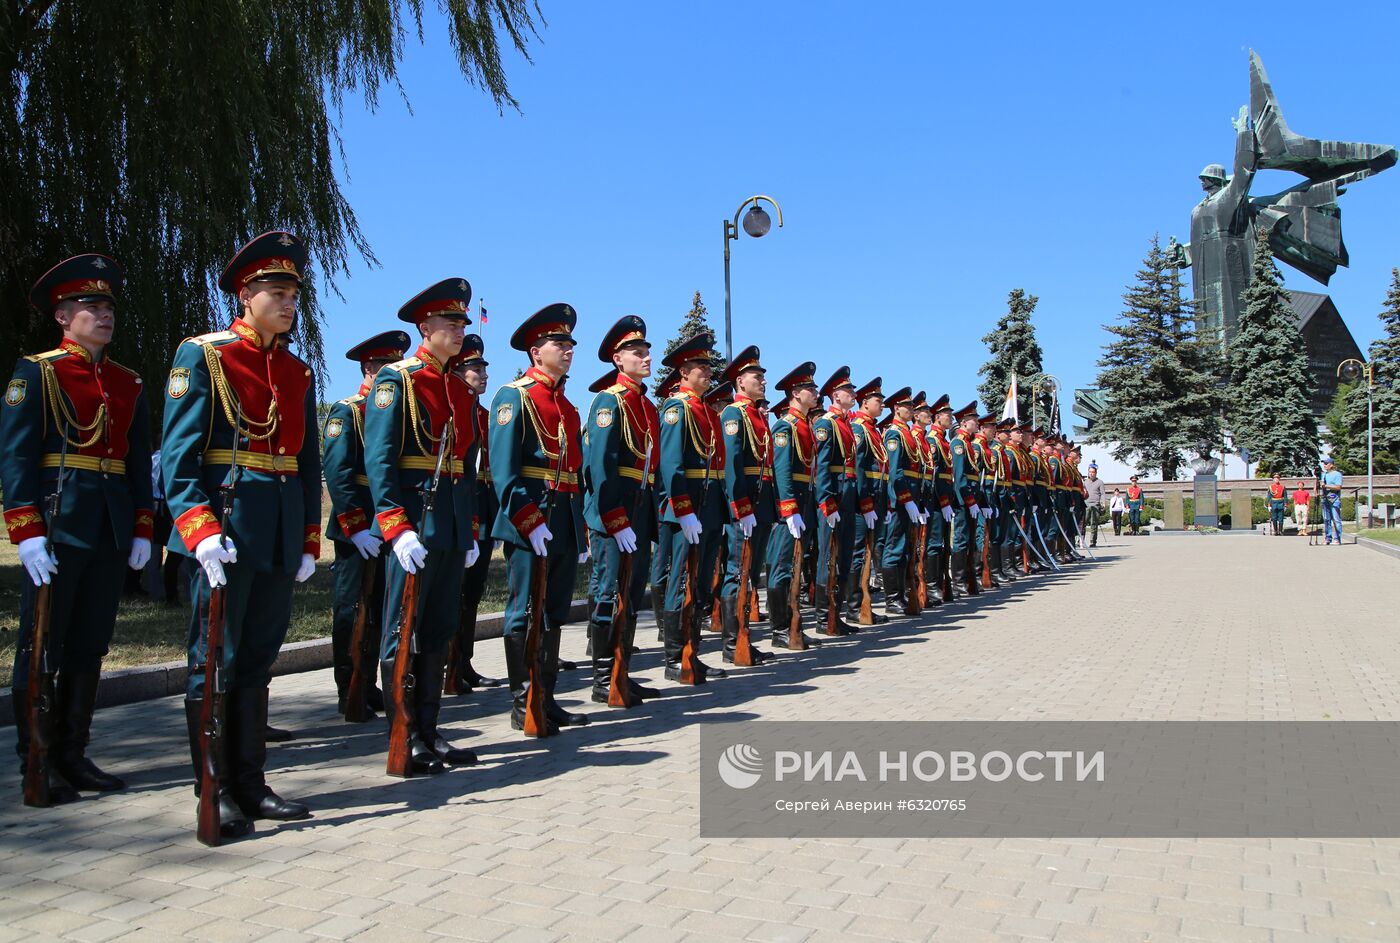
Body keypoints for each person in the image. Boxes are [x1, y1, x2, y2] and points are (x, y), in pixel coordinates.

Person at [163, 232, 320, 837]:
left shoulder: (296, 369)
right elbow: (179, 459)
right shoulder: (204, 356)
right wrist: (197, 530)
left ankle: (252, 781)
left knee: (258, 659)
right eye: (276, 293)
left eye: (292, 295)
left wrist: (310, 536)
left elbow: (306, 465)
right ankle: (215, 785)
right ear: (244, 294)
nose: (288, 304)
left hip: (277, 533)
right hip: (224, 533)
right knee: (214, 661)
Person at [3, 254, 153, 804]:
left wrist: (142, 527)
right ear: (63, 316)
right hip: (58, 522)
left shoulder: (126, 381)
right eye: (91, 305)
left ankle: (73, 752)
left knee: (90, 646)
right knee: (41, 645)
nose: (104, 314)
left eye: (109, 305)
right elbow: (16, 457)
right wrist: (26, 530)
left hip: (110, 524)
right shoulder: (37, 372)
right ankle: (34, 760)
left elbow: (139, 462)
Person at [364, 279, 481, 770]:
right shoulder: (398, 380)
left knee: (437, 629)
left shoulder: (457, 387)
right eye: (450, 323)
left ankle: (430, 730)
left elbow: (468, 463)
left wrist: (470, 528)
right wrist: (395, 524)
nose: (458, 331)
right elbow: (380, 459)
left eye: (462, 324)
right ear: (424, 326)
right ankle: (403, 734)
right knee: (401, 629)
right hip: (415, 524)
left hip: (451, 525)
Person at [490, 304, 591, 732]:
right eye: (558, 343)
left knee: (554, 612)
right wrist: (530, 522)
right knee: (524, 613)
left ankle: (545, 697)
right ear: (536, 351)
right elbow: (504, 471)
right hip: (530, 521)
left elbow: (576, 476)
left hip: (564, 521)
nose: (567, 350)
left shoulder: (566, 406)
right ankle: (522, 701)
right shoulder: (514, 396)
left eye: (570, 343)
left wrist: (580, 532)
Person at [323, 330, 407, 721]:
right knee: (352, 608)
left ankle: (369, 684)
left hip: (387, 523)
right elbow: (339, 474)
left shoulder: (395, 409)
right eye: (384, 367)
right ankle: (348, 687)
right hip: (356, 527)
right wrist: (356, 526)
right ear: (367, 369)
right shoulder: (348, 410)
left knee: (378, 608)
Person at [582, 316, 661, 706]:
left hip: (639, 510)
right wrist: (615, 519)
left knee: (630, 596)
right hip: (615, 516)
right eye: (636, 351)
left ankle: (621, 672)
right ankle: (602, 679)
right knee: (609, 596)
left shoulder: (646, 405)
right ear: (618, 359)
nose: (645, 356)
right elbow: (601, 466)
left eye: (646, 350)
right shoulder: (608, 401)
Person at [656, 332, 728, 683]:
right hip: (687, 507)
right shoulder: (677, 408)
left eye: (708, 367)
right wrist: (683, 508)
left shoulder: (706, 411)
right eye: (700, 367)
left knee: (700, 584)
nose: (707, 372)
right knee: (680, 581)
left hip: (709, 505)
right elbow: (671, 464)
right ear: (683, 372)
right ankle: (673, 658)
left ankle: (692, 652)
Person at [445, 336, 505, 695]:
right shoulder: (452, 409)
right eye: (475, 368)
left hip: (482, 514)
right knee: (450, 594)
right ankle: (443, 664)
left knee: (471, 596)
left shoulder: (484, 416)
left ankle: (462, 662)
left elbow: (492, 474)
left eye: (483, 368)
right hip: (458, 512)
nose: (482, 374)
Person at [767, 364, 823, 649]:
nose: (815, 392)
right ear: (795, 393)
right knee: (782, 567)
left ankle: (794, 625)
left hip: (805, 501)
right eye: (810, 389)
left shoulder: (805, 425)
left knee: (796, 567)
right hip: (790, 506)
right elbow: (782, 470)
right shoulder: (784, 426)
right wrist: (789, 508)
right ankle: (780, 629)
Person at [812, 367, 862, 633]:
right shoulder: (826, 424)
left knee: (843, 556)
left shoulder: (845, 425)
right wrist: (827, 503)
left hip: (848, 495)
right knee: (828, 557)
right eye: (849, 391)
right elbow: (822, 467)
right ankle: (823, 618)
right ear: (836, 395)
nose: (853, 394)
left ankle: (836, 613)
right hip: (834, 497)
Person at [847, 378, 888, 623]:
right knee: (858, 553)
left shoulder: (873, 429)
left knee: (869, 553)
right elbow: (859, 469)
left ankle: (862, 604)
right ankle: (854, 606)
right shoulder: (860, 429)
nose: (882, 405)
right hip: (864, 501)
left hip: (876, 498)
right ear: (865, 403)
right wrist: (866, 503)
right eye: (878, 401)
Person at [1321, 457, 1343, 545]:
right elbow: (1322, 484)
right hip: (1325, 498)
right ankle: (1328, 538)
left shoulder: (1337, 474)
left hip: (1334, 499)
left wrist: (1326, 486)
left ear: (1331, 465)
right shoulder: (1324, 474)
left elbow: (1338, 487)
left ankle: (1337, 538)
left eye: (1326, 464)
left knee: (1336, 519)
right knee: (1326, 519)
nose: (1325, 465)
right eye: (1324, 464)